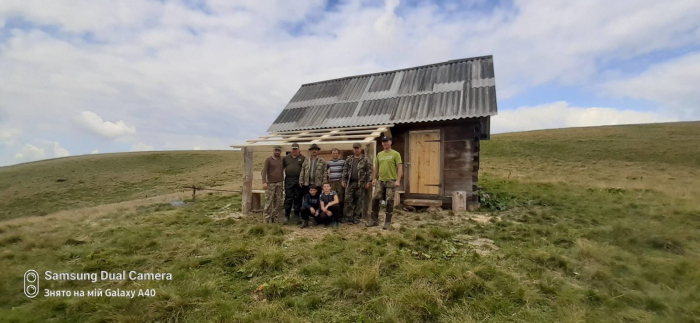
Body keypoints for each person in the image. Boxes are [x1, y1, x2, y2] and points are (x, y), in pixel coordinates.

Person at [369, 136, 403, 230]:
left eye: (386, 141)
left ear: (390, 142)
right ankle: (374, 220)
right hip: (380, 180)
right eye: (383, 142)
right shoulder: (379, 154)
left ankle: (387, 222)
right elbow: (376, 167)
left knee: (389, 201)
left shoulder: (395, 154)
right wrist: (374, 178)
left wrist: (398, 180)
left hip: (391, 181)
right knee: (375, 199)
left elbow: (400, 167)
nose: (385, 143)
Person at [341, 143, 372, 224]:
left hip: (361, 184)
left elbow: (369, 171)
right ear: (353, 149)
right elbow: (345, 170)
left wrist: (369, 182)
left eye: (357, 148)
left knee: (359, 201)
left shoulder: (365, 159)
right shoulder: (349, 159)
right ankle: (349, 217)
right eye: (355, 148)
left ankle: (356, 217)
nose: (356, 150)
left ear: (360, 149)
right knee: (348, 200)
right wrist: (343, 180)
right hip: (350, 183)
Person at [283, 143, 305, 224]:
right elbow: (282, 166)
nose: (294, 150)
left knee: (298, 198)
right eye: (293, 149)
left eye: (296, 149)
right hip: (288, 180)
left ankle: (296, 215)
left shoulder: (302, 158)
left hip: (298, 181)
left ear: (298, 150)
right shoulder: (286, 158)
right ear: (291, 150)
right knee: (288, 198)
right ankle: (287, 215)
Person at [261, 145, 284, 223]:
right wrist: (264, 182)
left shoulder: (282, 159)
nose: (277, 152)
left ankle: (274, 217)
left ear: (280, 151)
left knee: (278, 201)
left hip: (280, 183)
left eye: (279, 150)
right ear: (273, 151)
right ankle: (266, 218)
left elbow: (291, 157)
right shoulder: (268, 159)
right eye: (276, 150)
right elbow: (264, 171)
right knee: (269, 201)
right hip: (270, 183)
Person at [326, 148, 346, 222]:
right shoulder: (329, 162)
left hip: (339, 182)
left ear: (338, 154)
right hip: (332, 183)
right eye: (333, 153)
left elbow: (345, 171)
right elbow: (326, 171)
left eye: (336, 153)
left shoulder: (342, 162)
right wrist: (327, 180)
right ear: (332, 154)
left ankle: (340, 216)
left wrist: (343, 180)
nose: (335, 154)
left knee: (340, 199)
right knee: (332, 199)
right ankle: (333, 215)